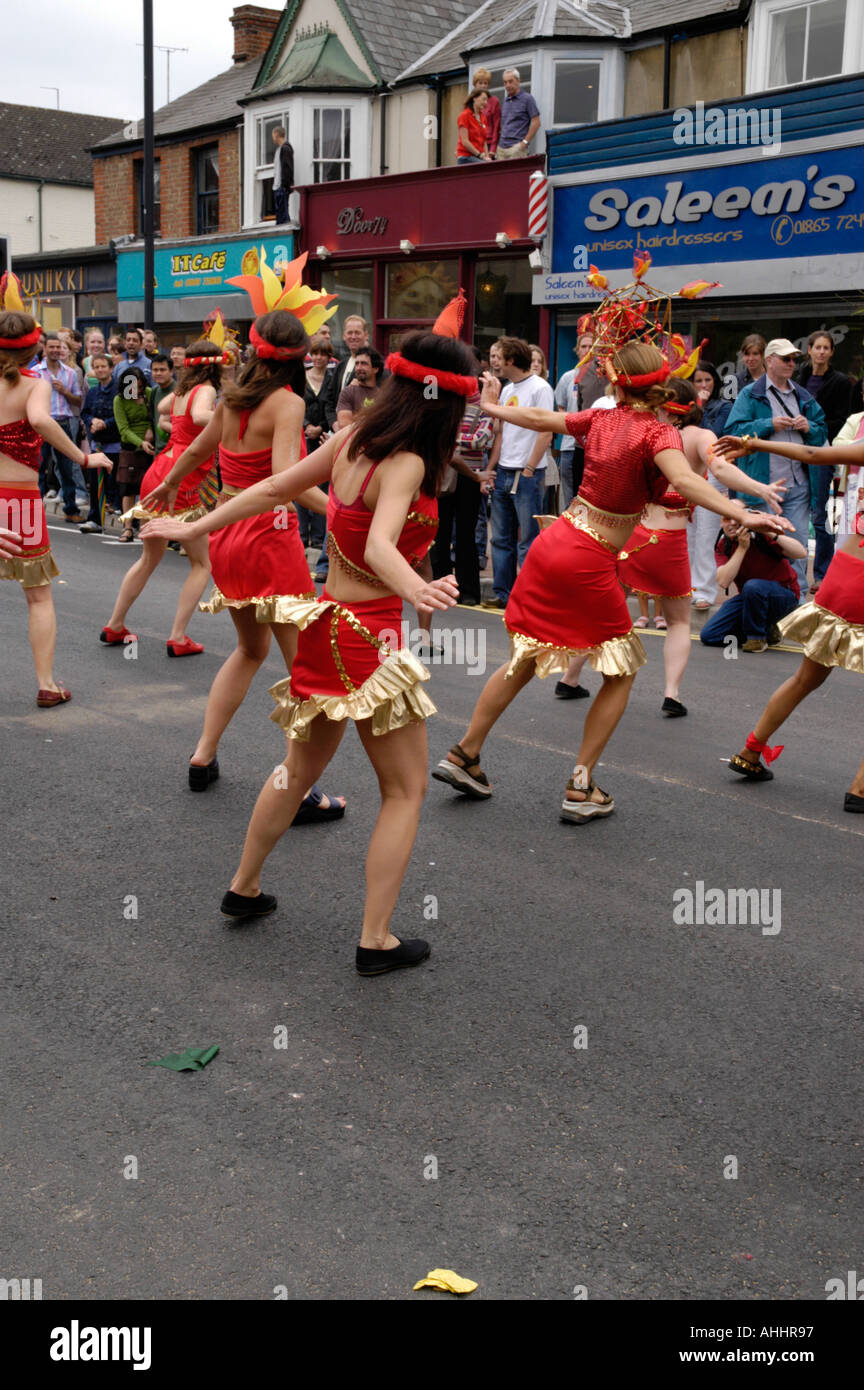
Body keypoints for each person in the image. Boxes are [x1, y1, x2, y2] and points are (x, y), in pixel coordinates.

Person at [148, 327, 472, 974]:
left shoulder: (355, 438)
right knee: (405, 791)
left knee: (297, 771)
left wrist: (197, 523)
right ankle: (375, 939)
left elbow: (271, 489)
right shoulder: (405, 459)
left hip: (326, 622)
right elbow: (381, 545)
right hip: (370, 635)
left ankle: (244, 887)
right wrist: (418, 588)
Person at [433, 339, 788, 821]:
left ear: (617, 383)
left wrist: (489, 404)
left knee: (526, 654)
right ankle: (580, 786)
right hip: (588, 554)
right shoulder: (657, 434)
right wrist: (742, 511)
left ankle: (464, 755)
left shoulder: (601, 419)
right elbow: (685, 483)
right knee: (621, 670)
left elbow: (542, 420)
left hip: (555, 542)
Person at [140, 306, 341, 820]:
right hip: (268, 537)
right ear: (299, 358)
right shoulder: (288, 403)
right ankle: (297, 788)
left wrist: (166, 483)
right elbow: (284, 481)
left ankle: (203, 755)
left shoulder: (231, 399)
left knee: (250, 650)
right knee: (305, 669)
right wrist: (347, 512)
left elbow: (190, 450)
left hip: (226, 530)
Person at [713, 428, 864, 812]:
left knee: (804, 679)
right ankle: (860, 789)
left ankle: (750, 751)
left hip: (845, 574)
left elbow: (813, 453)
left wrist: (754, 443)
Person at [0, 295, 112, 704]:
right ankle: (46, 684)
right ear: (33, 347)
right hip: (20, 503)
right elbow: (42, 420)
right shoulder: (36, 384)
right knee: (39, 596)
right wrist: (83, 456)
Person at [100, 338, 224, 654]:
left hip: (161, 469)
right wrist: (231, 419)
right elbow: (199, 417)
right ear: (215, 365)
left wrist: (174, 424)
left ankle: (115, 625)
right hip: (183, 474)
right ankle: (178, 636)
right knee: (201, 564)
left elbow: (162, 408)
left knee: (149, 557)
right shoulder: (207, 391)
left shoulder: (181, 391)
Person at [724, 338, 827, 597]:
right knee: (766, 547)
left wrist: (809, 427)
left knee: (800, 546)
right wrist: (768, 424)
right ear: (769, 361)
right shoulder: (750, 394)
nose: (792, 364)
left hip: (799, 485)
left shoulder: (801, 394)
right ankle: (766, 601)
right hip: (764, 486)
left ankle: (798, 602)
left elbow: (822, 431)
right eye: (786, 359)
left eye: (794, 359)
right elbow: (733, 433)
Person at [483, 337, 553, 609]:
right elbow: (501, 433)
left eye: (499, 357)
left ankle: (528, 596)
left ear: (512, 360)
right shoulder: (508, 388)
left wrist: (529, 468)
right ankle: (503, 593)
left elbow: (546, 431)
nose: (494, 362)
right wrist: (492, 469)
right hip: (504, 471)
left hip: (526, 475)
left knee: (528, 539)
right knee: (501, 538)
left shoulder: (540, 388)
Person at [793, 330, 851, 589]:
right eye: (817, 347)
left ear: (831, 352)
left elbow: (841, 419)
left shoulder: (840, 382)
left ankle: (822, 573)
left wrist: (813, 427)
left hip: (822, 449)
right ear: (809, 349)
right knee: (795, 508)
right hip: (794, 448)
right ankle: (795, 571)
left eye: (826, 348)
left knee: (820, 514)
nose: (821, 352)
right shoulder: (798, 377)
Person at [430, 386, 494, 606]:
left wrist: (452, 437)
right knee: (440, 532)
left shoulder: (484, 406)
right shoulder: (446, 402)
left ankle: (468, 591)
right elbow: (435, 432)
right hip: (444, 474)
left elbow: (481, 440)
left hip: (472, 476)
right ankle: (441, 586)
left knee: (467, 535)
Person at [699, 518, 804, 651]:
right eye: (726, 519)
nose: (731, 523)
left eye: (736, 519)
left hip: (783, 595)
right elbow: (724, 581)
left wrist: (768, 531)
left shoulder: (762, 536)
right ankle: (767, 629)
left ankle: (757, 638)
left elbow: (801, 552)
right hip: (750, 597)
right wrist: (742, 548)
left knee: (753, 587)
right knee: (710, 635)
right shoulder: (723, 543)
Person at [32, 334, 84, 522]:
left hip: (63, 422)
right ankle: (35, 510)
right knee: (38, 467)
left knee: (66, 467)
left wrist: (64, 391)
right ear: (45, 349)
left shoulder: (69, 373)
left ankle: (71, 509)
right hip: (42, 422)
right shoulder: (36, 372)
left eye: (58, 347)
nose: (55, 350)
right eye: (51, 347)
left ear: (62, 349)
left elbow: (78, 401)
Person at [80, 353, 122, 532]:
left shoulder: (121, 389)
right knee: (96, 481)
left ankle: (123, 517)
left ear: (111, 368)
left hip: (116, 443)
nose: (100, 370)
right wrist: (92, 421)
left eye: (103, 366)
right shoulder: (92, 391)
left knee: (117, 482)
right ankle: (95, 519)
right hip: (97, 444)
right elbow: (85, 412)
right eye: (96, 367)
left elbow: (124, 414)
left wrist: (106, 423)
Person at [297, 334, 331, 551]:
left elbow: (333, 405)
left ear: (329, 357)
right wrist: (306, 425)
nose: (318, 358)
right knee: (300, 482)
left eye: (323, 354)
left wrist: (321, 428)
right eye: (315, 353)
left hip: (323, 437)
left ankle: (318, 536)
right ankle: (302, 533)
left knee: (322, 485)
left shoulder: (332, 379)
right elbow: (295, 403)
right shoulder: (302, 377)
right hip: (304, 435)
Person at [497, 68, 541, 158]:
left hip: (517, 149)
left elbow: (536, 122)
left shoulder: (527, 99)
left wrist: (524, 143)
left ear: (518, 81)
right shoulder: (506, 100)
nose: (507, 85)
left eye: (510, 81)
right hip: (501, 149)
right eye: (505, 82)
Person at [335, 347, 383, 427]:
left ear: (375, 369)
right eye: (356, 364)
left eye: (363, 363)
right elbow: (344, 425)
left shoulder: (383, 395)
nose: (358, 368)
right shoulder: (348, 392)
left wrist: (356, 418)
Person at [456, 88, 491, 164]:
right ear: (475, 98)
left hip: (479, 157)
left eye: (486, 100)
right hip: (466, 157)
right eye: (483, 99)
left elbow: (484, 141)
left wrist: (487, 157)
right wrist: (480, 155)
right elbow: (465, 141)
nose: (485, 103)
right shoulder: (464, 115)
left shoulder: (483, 117)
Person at [471, 68, 501, 156]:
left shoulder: (494, 101)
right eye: (480, 83)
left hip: (488, 144)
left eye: (485, 83)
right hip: (473, 145)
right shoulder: (471, 102)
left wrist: (493, 149)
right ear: (475, 84)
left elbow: (497, 127)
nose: (483, 86)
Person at [149, 352, 175, 449]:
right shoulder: (154, 391)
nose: (158, 373)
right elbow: (152, 416)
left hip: (174, 448)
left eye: (162, 370)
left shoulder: (179, 392)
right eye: (155, 370)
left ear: (171, 371)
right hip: (158, 449)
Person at [272, 126, 294, 226]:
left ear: (276, 135)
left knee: (283, 215)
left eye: (273, 136)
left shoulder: (285, 149)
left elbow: (287, 168)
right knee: (280, 215)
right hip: (278, 187)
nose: (273, 139)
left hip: (282, 187)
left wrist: (285, 186)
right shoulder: (279, 150)